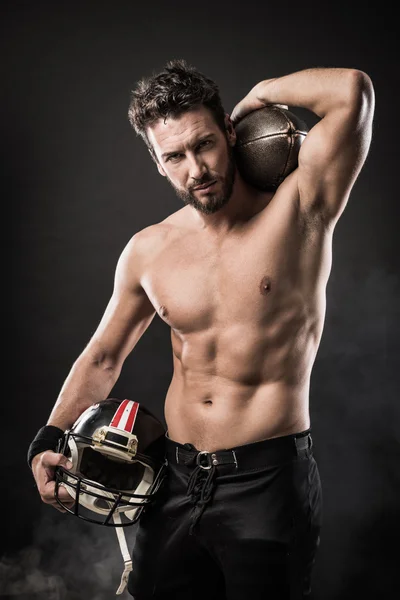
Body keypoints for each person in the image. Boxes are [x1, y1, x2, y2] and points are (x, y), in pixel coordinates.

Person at [28, 59, 375, 598]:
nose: (197, 169)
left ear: (229, 133)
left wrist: (260, 92)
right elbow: (103, 357)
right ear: (158, 163)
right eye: (175, 156)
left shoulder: (300, 207)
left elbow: (351, 91)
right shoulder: (149, 249)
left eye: (205, 144)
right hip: (173, 480)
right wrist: (47, 439)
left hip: (267, 481)